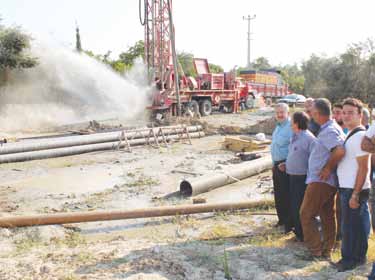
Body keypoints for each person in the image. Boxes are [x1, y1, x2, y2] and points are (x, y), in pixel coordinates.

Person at [300, 98, 346, 259]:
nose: (311, 115)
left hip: (321, 181)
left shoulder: (329, 131)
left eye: (312, 112)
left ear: (318, 113)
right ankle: (327, 249)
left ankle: (315, 250)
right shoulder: (330, 128)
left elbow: (339, 150)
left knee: (306, 214)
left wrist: (327, 168)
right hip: (325, 181)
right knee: (327, 215)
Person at [336, 98, 371, 272]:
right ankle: (352, 258)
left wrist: (355, 194)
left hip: (354, 188)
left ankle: (352, 260)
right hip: (348, 187)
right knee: (351, 225)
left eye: (351, 113)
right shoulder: (351, 134)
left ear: (360, 115)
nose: (346, 116)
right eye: (344, 112)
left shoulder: (359, 137)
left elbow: (364, 168)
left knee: (351, 227)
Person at [286, 111, 316, 241]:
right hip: (292, 176)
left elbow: (313, 160)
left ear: (297, 123)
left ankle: (303, 234)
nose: (290, 123)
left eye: (292, 120)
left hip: (302, 178)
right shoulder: (295, 135)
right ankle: (298, 232)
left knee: (301, 206)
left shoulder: (309, 138)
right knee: (294, 204)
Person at [271, 103, 293, 233]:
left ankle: (289, 225)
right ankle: (282, 220)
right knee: (278, 195)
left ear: (287, 113)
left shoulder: (291, 127)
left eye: (282, 112)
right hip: (276, 164)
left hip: (285, 165)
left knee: (287, 195)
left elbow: (294, 148)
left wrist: (287, 164)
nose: (279, 115)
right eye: (277, 112)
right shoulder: (278, 127)